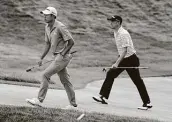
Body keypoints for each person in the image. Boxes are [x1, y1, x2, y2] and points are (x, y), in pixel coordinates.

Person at [92, 15, 152, 110]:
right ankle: (102, 96)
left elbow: (124, 51)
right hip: (124, 59)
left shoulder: (123, 33)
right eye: (110, 21)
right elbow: (122, 53)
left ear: (118, 22)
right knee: (111, 74)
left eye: (112, 21)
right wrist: (117, 62)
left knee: (137, 81)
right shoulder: (116, 32)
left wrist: (116, 63)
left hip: (131, 59)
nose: (110, 23)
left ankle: (147, 102)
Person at [26, 7, 77, 109]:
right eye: (44, 14)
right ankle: (73, 105)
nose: (44, 16)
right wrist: (41, 58)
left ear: (53, 16)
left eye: (47, 15)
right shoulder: (47, 27)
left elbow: (71, 42)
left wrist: (62, 54)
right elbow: (47, 44)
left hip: (63, 57)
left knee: (45, 75)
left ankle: (39, 100)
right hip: (56, 57)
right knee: (65, 81)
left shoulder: (60, 27)